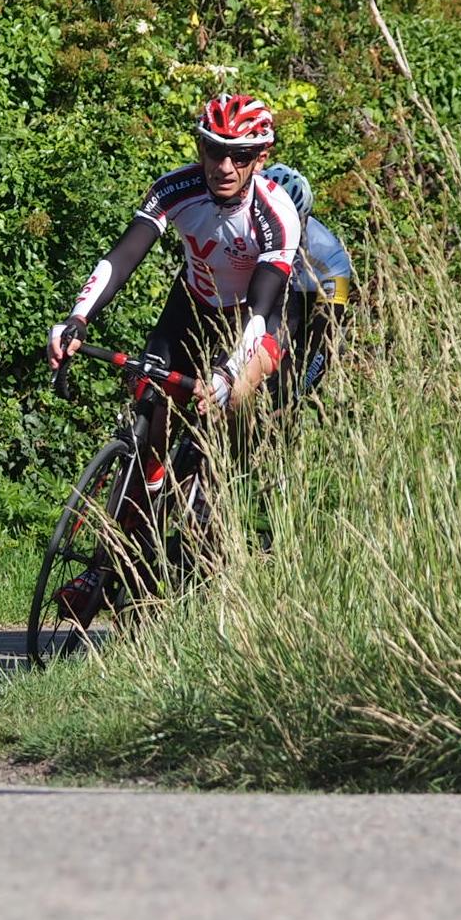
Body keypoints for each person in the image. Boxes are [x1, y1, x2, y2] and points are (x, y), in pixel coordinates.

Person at [42, 93, 300, 617]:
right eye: (213, 150)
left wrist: (228, 373)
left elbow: (261, 312)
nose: (224, 166)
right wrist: (77, 318)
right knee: (146, 401)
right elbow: (123, 256)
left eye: (239, 155)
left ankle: (211, 507)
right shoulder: (176, 188)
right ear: (199, 148)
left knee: (230, 402)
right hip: (192, 306)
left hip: (251, 320)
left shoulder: (277, 214)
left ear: (261, 157)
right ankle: (122, 536)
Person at [261, 164, 354, 400]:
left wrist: (297, 392)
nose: (284, 231)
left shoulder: (330, 255)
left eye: (292, 223)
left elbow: (327, 333)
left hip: (305, 308)